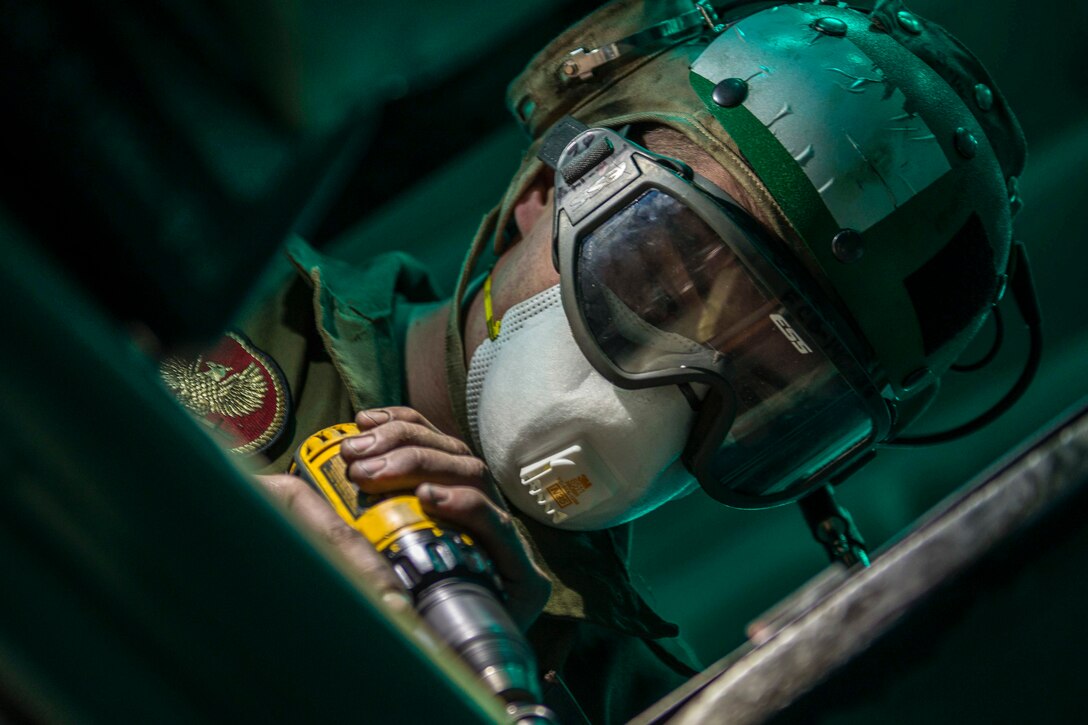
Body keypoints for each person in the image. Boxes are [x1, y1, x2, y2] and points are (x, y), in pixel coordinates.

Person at [160, 0, 1028, 721]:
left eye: (757, 390)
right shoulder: (188, 296)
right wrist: (198, 532)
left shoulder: (655, 705)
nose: (657, 389)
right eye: (656, 276)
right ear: (544, 194)